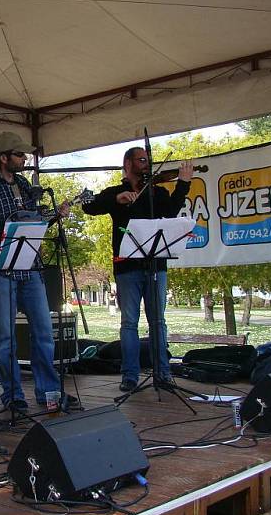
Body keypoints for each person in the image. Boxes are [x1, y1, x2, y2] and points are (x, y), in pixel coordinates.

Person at [0, 131, 73, 412]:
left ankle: (49, 392)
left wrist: (55, 215)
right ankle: (13, 396)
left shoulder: (25, 185)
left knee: (44, 333)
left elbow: (36, 225)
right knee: (5, 338)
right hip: (0, 269)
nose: (25, 159)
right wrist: (9, 222)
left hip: (30, 268)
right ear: (3, 158)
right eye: (19, 155)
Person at [82, 146, 192, 392]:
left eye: (148, 160)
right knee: (129, 322)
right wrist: (115, 200)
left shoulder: (157, 192)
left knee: (158, 321)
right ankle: (129, 375)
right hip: (126, 268)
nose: (146, 165)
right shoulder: (115, 193)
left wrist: (183, 184)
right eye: (142, 160)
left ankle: (163, 373)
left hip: (155, 266)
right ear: (128, 164)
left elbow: (172, 211)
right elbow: (89, 207)